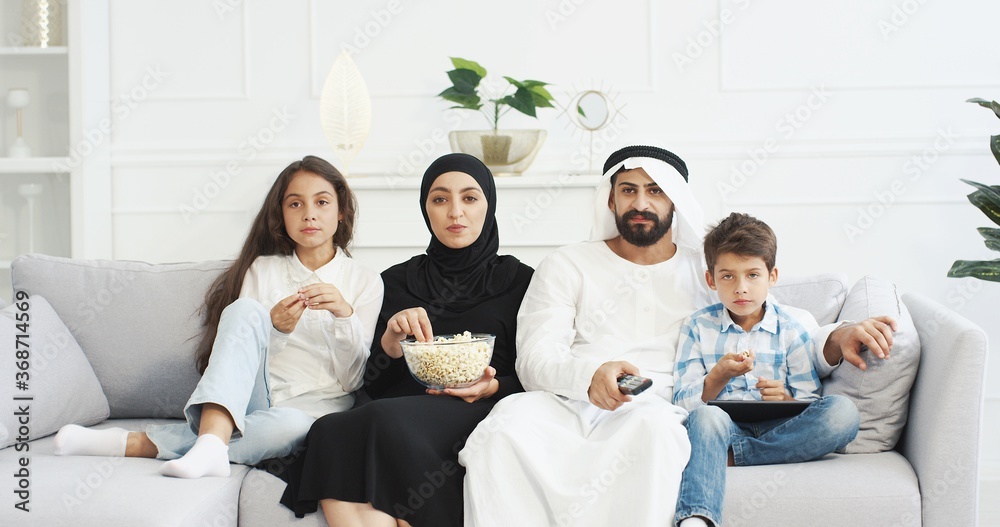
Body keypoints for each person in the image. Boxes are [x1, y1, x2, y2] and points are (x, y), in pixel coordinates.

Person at [459, 145, 897, 526]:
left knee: (653, 436)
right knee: (501, 433)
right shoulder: (567, 263)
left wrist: (839, 336)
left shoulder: (705, 270)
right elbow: (535, 357)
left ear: (676, 201)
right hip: (562, 400)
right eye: (628, 190)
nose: (641, 202)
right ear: (610, 200)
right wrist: (589, 375)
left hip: (656, 405)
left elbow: (776, 322)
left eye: (655, 190)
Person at [53, 155, 383, 478]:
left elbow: (352, 381)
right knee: (245, 309)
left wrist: (343, 315)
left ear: (341, 211)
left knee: (291, 429)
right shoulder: (262, 269)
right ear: (280, 215)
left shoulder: (365, 281)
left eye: (322, 202)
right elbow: (239, 358)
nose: (309, 214)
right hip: (256, 398)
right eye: (295, 204)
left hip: (313, 410)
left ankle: (151, 443)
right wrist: (276, 330)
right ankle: (211, 442)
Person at [279, 153, 534, 527]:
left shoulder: (520, 280)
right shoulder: (397, 281)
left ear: (489, 205)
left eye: (469, 197)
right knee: (330, 429)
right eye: (440, 199)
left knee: (383, 423)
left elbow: (536, 372)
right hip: (400, 411)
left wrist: (493, 385)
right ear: (425, 209)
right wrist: (390, 344)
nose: (455, 212)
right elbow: (371, 384)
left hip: (481, 410)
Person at [672, 212, 860, 527]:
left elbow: (809, 400)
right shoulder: (697, 326)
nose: (741, 288)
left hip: (780, 426)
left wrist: (785, 399)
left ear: (772, 276)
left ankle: (734, 458)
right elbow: (682, 403)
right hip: (724, 429)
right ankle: (697, 518)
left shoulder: (793, 325)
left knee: (843, 413)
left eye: (753, 275)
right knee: (706, 417)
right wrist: (718, 376)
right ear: (711, 279)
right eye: (728, 276)